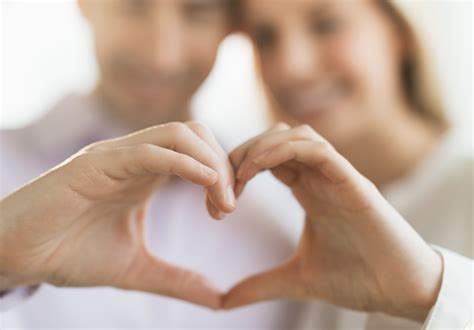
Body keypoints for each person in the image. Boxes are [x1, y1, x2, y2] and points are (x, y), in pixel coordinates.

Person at [0, 0, 304, 328]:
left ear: (231, 25)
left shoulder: (284, 220)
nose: (161, 55)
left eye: (197, 11)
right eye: (134, 5)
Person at [222, 0, 473, 329]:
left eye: (326, 25)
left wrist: (429, 289)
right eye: (265, 38)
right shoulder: (280, 217)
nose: (291, 66)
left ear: (399, 31)